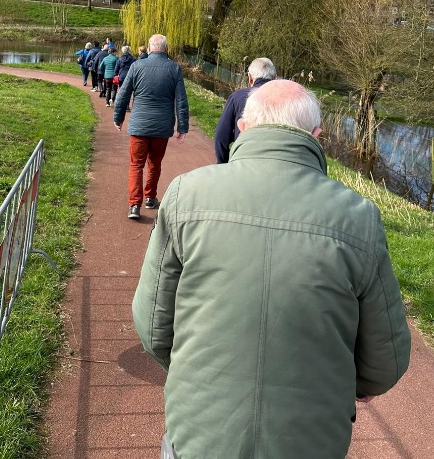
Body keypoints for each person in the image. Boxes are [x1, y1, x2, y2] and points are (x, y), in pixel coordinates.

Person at [132, 80, 411, 459]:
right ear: (316, 136)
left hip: (200, 434)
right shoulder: (358, 217)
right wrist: (344, 386)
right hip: (312, 442)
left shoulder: (185, 195)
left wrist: (192, 371)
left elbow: (153, 326)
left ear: (243, 128)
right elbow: (386, 359)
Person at [113, 34, 189, 220]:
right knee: (154, 163)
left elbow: (123, 94)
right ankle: (150, 197)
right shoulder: (174, 68)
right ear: (165, 48)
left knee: (136, 164)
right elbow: (181, 99)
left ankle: (134, 205)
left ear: (149, 47)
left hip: (139, 124)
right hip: (162, 127)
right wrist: (183, 127)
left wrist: (118, 117)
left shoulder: (137, 66)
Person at [214, 56, 277, 163]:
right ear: (275, 78)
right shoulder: (286, 99)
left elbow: (221, 136)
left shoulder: (237, 97)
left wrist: (223, 163)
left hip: (243, 160)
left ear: (250, 77)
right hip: (275, 162)